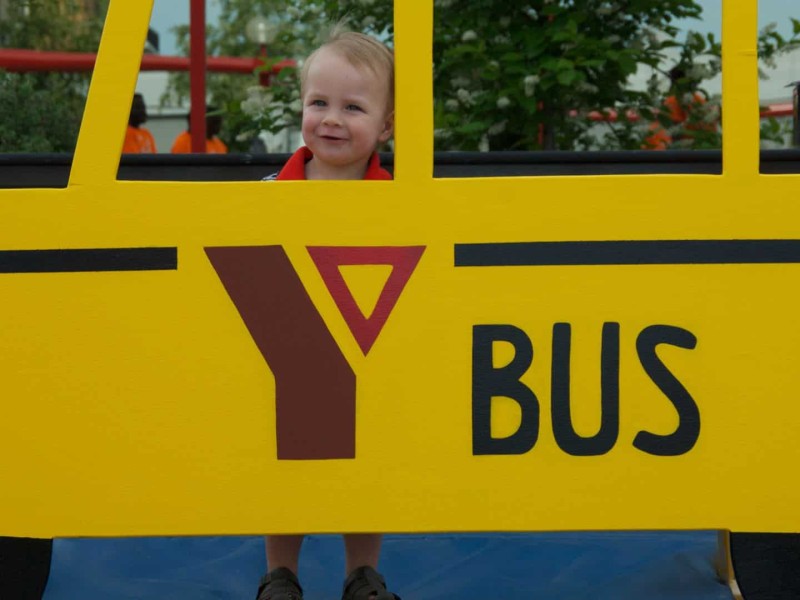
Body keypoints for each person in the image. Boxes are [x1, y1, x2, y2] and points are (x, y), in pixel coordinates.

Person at [256, 27, 397, 600]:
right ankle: (280, 574)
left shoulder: (400, 204)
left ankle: (361, 574)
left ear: (386, 126)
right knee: (282, 468)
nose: (332, 119)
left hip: (367, 352)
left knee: (365, 469)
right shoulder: (266, 194)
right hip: (288, 355)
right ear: (301, 108)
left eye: (353, 107)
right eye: (319, 103)